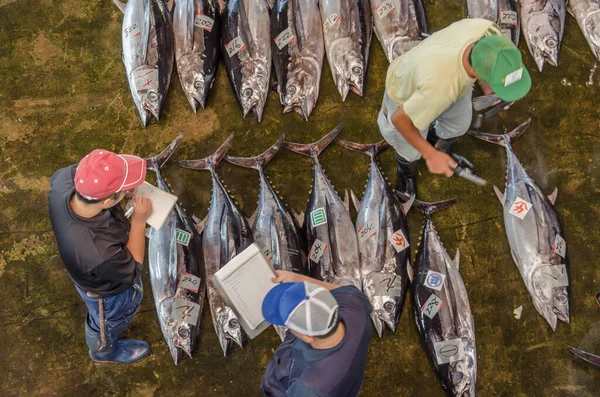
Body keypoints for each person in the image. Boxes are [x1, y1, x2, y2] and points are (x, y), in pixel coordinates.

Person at [377, 18, 532, 197]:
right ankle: (406, 173)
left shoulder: (489, 32)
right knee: (410, 150)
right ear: (479, 72)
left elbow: (486, 63)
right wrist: (430, 155)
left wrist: (495, 88)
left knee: (459, 124)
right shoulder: (440, 88)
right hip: (405, 94)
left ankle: (442, 148)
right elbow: (399, 119)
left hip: (448, 74)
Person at [48, 149, 152, 364]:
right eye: (124, 189)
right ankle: (104, 352)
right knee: (106, 323)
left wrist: (123, 192)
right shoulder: (99, 253)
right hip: (108, 293)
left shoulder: (63, 181)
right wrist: (139, 220)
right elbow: (134, 266)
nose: (128, 190)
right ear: (106, 202)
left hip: (86, 267)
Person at [260, 271, 372, 397]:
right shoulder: (355, 303)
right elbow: (340, 292)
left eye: (289, 326)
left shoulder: (308, 388)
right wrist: (296, 278)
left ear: (307, 337)